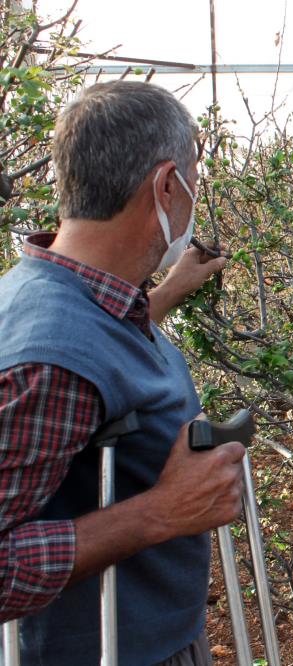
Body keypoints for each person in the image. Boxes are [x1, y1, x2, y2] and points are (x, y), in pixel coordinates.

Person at [0, 81, 245, 665]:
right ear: (166, 185)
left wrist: (165, 294)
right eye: (192, 179)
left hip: (146, 634)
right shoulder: (48, 358)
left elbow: (97, 351)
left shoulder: (54, 292)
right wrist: (160, 512)